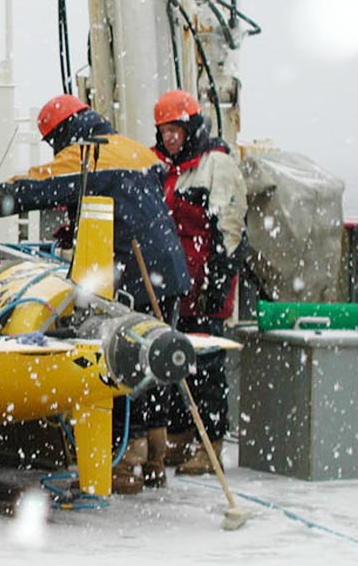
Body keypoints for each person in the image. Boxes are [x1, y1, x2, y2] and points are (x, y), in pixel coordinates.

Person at [0, 94, 191, 494]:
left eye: (54, 140)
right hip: (168, 270)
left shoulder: (89, 153)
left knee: (120, 364)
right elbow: (129, 200)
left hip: (133, 274)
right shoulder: (132, 149)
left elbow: (38, 186)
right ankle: (154, 459)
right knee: (156, 362)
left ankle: (123, 465)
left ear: (63, 131)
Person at [151, 89, 248, 476]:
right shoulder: (158, 166)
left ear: (190, 127)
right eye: (164, 130)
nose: (170, 137)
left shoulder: (215, 166)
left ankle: (209, 444)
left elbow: (230, 228)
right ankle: (176, 439)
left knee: (206, 368)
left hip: (205, 288)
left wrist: (217, 284)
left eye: (176, 129)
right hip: (170, 287)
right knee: (169, 365)